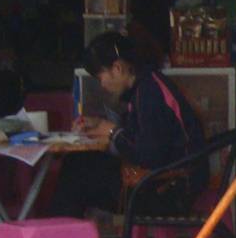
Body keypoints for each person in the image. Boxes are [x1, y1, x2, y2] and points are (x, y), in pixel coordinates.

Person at [51, 32, 207, 218]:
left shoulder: (150, 94)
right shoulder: (147, 86)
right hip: (164, 180)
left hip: (169, 190)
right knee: (78, 164)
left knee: (76, 173)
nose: (102, 85)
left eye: (100, 77)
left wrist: (111, 131)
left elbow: (147, 155)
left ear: (117, 68)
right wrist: (100, 125)